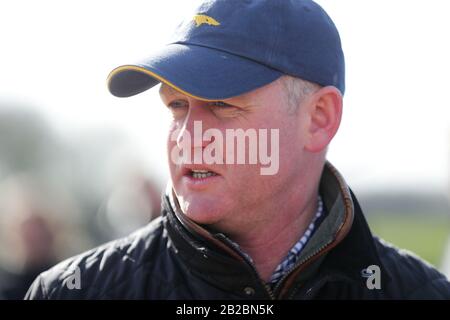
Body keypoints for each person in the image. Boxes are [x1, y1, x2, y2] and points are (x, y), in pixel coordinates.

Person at [26, 0, 450, 299]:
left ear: (319, 117)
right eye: (176, 106)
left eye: (221, 104)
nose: (188, 135)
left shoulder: (421, 292)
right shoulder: (73, 291)